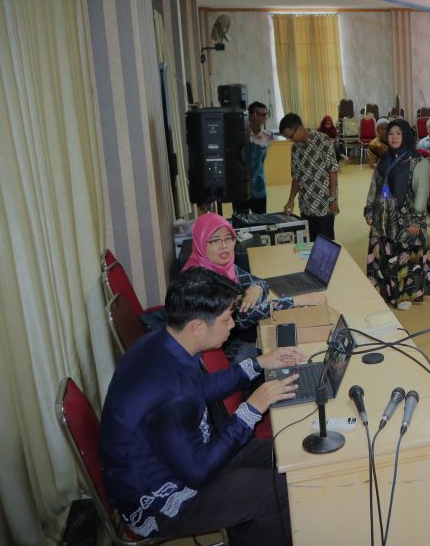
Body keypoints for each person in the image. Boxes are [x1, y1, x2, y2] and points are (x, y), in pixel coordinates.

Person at [100, 268, 303, 544]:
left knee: (287, 454)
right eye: (226, 319)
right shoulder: (169, 394)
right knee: (278, 489)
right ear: (197, 326)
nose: (232, 325)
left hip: (182, 455)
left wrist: (259, 363)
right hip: (162, 497)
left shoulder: (165, 341)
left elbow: (199, 389)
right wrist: (251, 410)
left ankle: (247, 528)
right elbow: (198, 471)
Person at [180, 212, 324, 362]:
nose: (224, 246)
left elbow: (261, 283)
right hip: (216, 354)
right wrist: (296, 301)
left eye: (229, 239)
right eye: (215, 241)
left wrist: (256, 289)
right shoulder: (200, 281)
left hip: (231, 338)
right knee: (285, 356)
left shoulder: (221, 265)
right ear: (201, 242)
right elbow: (243, 317)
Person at [364, 119, 430, 310]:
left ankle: (403, 295)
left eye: (398, 134)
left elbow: (422, 193)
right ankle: (385, 291)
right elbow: (375, 187)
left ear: (407, 136)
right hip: (383, 216)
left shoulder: (418, 162)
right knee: (384, 253)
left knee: (404, 256)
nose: (394, 137)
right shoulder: (386, 159)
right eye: (391, 133)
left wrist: (417, 220)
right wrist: (369, 209)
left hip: (407, 219)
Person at [280, 113, 339, 241]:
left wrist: (333, 199)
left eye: (290, 136)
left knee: (325, 244)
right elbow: (296, 177)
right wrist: (291, 200)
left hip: (324, 205)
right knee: (309, 244)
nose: (291, 139)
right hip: (306, 206)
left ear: (299, 127)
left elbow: (333, 171)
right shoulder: (295, 148)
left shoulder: (323, 140)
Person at [242, 102, 271, 214]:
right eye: (257, 114)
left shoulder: (267, 136)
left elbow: (262, 161)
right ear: (249, 115)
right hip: (242, 187)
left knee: (261, 221)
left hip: (259, 187)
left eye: (264, 115)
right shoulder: (241, 133)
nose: (261, 117)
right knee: (241, 222)